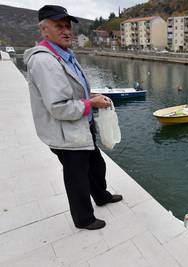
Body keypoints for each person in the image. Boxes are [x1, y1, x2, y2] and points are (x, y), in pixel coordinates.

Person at [23, 5, 122, 230]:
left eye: (68, 26)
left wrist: (90, 95)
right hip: (66, 134)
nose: (67, 31)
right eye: (59, 26)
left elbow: (71, 91)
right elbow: (58, 107)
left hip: (81, 128)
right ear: (44, 29)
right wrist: (91, 103)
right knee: (76, 177)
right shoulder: (44, 61)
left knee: (96, 166)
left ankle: (101, 195)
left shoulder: (64, 55)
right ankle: (84, 219)